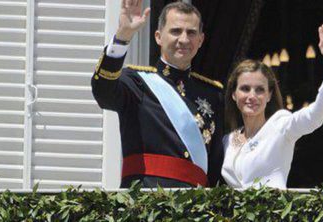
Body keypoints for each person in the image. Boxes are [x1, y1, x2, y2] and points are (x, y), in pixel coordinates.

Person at [91, 0, 224, 188]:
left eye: (191, 33)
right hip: (146, 201)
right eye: (176, 31)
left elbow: (216, 163)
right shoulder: (136, 82)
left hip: (195, 207)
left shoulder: (212, 93)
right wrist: (123, 36)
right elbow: (103, 91)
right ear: (158, 37)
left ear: (201, 40)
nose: (184, 39)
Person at [221, 24, 323, 189]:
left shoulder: (281, 125)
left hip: (273, 212)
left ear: (269, 95)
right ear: (234, 94)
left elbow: (316, 114)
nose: (252, 96)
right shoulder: (227, 140)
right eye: (244, 89)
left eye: (260, 90)